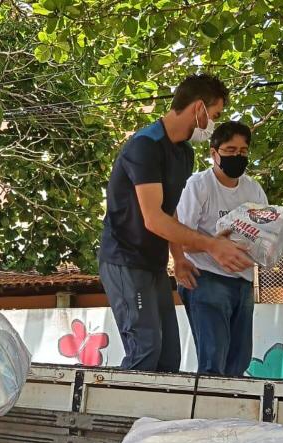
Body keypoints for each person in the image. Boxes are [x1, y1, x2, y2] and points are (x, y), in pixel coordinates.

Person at [99, 75, 253, 373]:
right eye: (215, 115)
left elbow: (172, 213)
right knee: (145, 348)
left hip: (154, 264)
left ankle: (155, 421)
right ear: (199, 109)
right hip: (124, 261)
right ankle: (121, 417)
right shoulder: (145, 146)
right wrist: (212, 245)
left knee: (169, 358)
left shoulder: (184, 153)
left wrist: (179, 258)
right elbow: (153, 218)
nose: (213, 124)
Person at [175, 120, 267, 377]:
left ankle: (229, 415)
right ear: (213, 153)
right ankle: (208, 414)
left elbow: (266, 232)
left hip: (243, 281)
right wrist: (216, 247)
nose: (237, 156)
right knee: (213, 362)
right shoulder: (198, 185)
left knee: (239, 362)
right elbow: (180, 235)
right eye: (229, 150)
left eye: (243, 151)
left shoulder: (253, 189)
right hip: (205, 278)